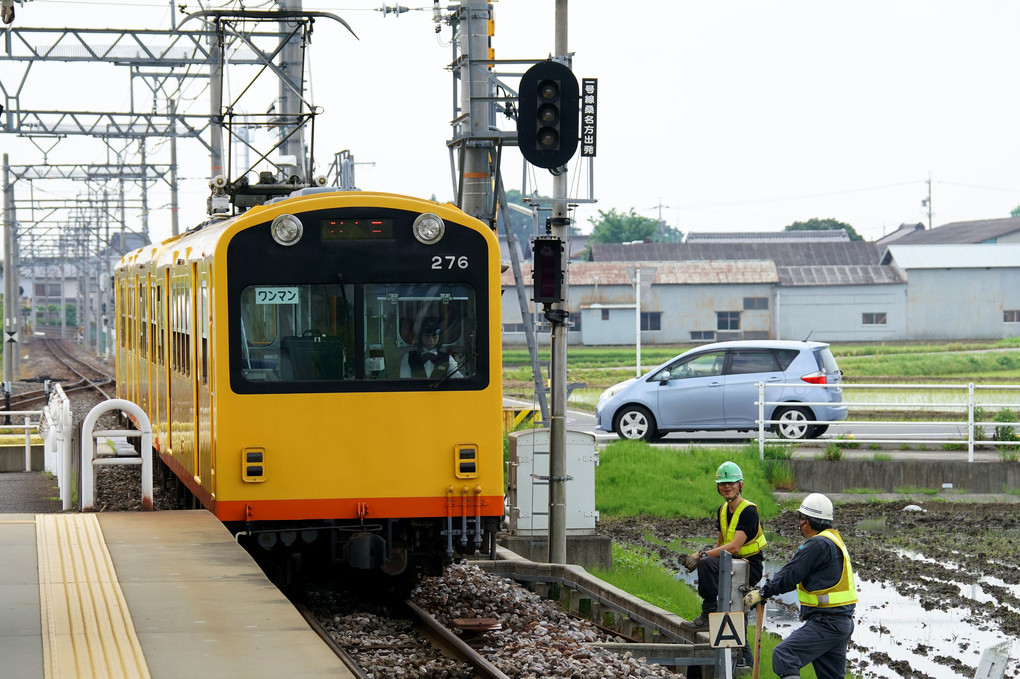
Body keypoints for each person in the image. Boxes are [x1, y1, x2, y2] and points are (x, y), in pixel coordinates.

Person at [742, 493, 857, 679]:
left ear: (808, 521)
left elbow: (791, 573)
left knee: (784, 655)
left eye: (801, 518)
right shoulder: (834, 540)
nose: (799, 523)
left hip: (826, 622)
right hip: (841, 622)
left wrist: (764, 592)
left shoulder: (817, 544)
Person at [680, 460, 767, 633]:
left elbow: (734, 547)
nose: (727, 487)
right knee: (707, 562)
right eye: (722, 484)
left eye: (731, 483)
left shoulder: (748, 511)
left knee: (705, 561)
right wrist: (706, 557)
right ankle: (714, 617)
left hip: (748, 567)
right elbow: (720, 544)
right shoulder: (722, 510)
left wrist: (700, 555)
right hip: (731, 564)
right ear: (718, 487)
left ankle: (708, 615)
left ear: (740, 485)